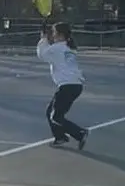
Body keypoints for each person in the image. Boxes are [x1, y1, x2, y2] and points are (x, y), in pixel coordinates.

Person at [36, 22, 88, 150]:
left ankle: (80, 133)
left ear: (60, 35)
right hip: (75, 85)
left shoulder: (57, 48)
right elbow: (51, 54)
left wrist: (43, 39)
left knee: (56, 116)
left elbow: (42, 55)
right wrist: (46, 41)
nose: (52, 36)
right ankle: (60, 137)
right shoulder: (68, 48)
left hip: (67, 86)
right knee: (50, 112)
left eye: (54, 33)